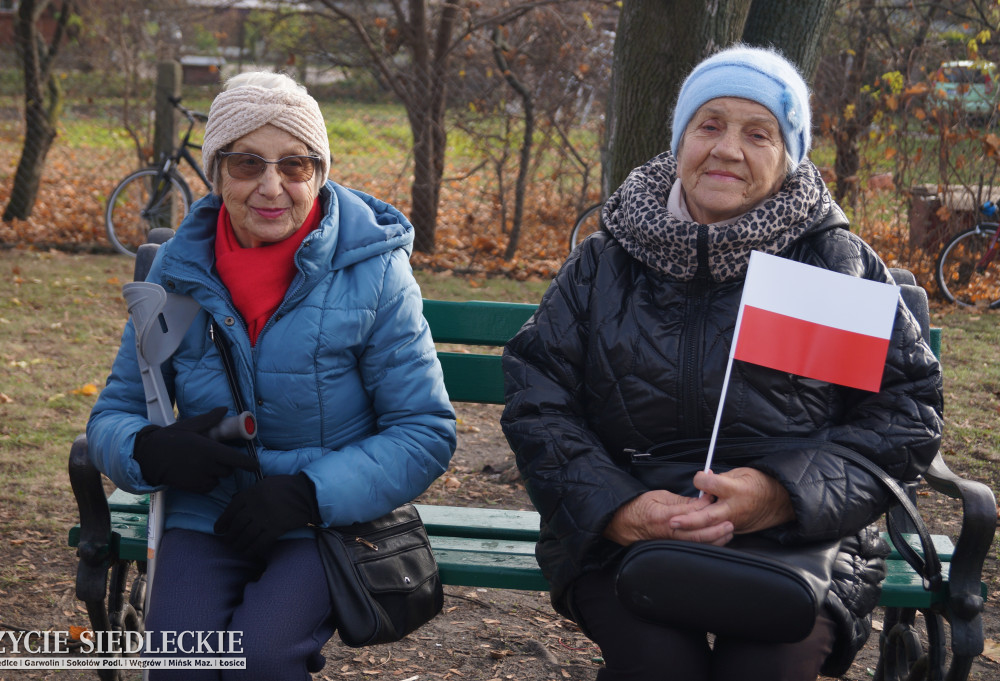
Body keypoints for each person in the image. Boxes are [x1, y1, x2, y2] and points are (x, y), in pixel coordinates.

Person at [500, 46, 943, 681]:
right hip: (629, 527)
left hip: (801, 539)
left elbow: (905, 414)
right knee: (658, 666)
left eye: (758, 133)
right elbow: (537, 399)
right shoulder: (603, 261)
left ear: (788, 157)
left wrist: (781, 495)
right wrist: (620, 510)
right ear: (681, 139)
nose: (728, 149)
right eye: (709, 125)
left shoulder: (831, 261)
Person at [87, 71, 456, 680]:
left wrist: (310, 492)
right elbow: (112, 415)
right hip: (205, 513)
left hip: (324, 517)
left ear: (320, 172)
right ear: (215, 171)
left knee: (260, 657)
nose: (271, 187)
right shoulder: (176, 274)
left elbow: (423, 430)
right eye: (246, 163)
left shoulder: (376, 273)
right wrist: (149, 451)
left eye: (295, 165)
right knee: (178, 663)